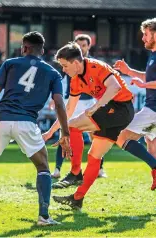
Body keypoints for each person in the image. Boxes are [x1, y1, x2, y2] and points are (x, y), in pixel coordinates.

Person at [0, 31, 72, 226]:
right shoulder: (53, 73)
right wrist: (65, 133)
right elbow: (59, 104)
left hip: (1, 120)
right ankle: (44, 216)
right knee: (42, 167)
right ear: (42, 50)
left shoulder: (10, 64)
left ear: (24, 48)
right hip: (27, 122)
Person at [46, 42, 134, 210]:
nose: (63, 70)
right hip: (115, 112)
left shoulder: (96, 66)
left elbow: (114, 87)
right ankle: (78, 198)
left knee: (72, 127)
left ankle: (75, 172)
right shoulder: (75, 80)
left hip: (119, 108)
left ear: (76, 63)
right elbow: (69, 110)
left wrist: (95, 107)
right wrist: (51, 131)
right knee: (94, 156)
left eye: (65, 65)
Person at [114, 17, 156, 212]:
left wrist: (144, 86)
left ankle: (155, 168)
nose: (143, 38)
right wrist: (129, 72)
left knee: (121, 136)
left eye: (146, 34)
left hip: (154, 111)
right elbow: (151, 77)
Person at [50, 34, 107, 189]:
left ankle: (99, 168)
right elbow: (60, 82)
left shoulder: (94, 65)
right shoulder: (68, 65)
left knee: (95, 136)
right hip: (73, 102)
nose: (81, 47)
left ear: (88, 47)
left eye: (83, 45)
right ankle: (57, 169)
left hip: (90, 103)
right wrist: (54, 99)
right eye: (78, 44)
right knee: (65, 133)